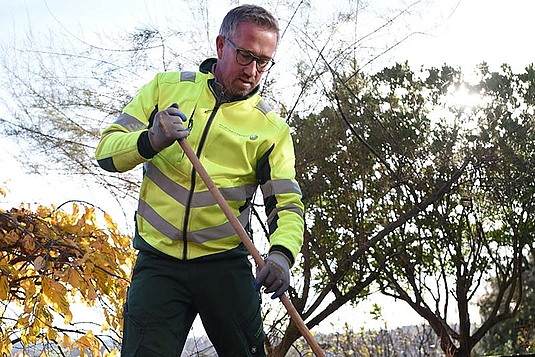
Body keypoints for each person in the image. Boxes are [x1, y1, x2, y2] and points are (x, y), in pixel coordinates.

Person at [94, 4, 304, 357]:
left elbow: (286, 204)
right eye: (245, 55)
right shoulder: (166, 88)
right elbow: (107, 152)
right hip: (158, 263)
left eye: (264, 61)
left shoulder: (271, 129)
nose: (253, 70)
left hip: (226, 266)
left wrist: (282, 255)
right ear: (221, 46)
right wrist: (151, 139)